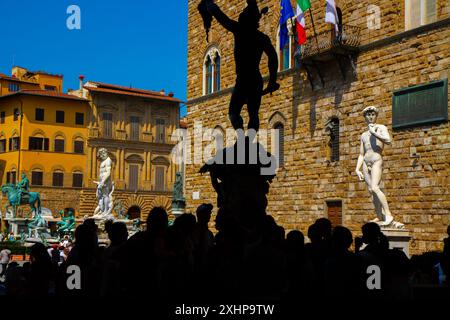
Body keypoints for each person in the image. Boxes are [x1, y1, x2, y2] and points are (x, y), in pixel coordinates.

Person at [200, 0, 279, 135]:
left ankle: (242, 138)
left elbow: (222, 18)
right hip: (255, 80)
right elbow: (273, 57)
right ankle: (247, 141)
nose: (241, 14)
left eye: (244, 12)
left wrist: (210, 6)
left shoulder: (240, 30)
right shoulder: (262, 38)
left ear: (247, 17)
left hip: (243, 80)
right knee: (253, 113)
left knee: (233, 112)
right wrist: (272, 80)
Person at [355, 106, 402, 228]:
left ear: (376, 116)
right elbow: (361, 153)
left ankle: (389, 215)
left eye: (372, 114)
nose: (370, 117)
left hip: (376, 160)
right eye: (368, 115)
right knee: (371, 191)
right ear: (365, 117)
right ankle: (379, 216)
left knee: (375, 187)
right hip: (366, 163)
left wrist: (375, 133)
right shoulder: (363, 135)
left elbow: (388, 140)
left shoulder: (381, 128)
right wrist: (357, 169)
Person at [93, 148, 113, 217]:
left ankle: (105, 211)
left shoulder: (108, 160)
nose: (100, 157)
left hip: (105, 181)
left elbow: (108, 172)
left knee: (105, 195)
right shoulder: (103, 161)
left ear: (104, 153)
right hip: (102, 181)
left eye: (101, 155)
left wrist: (103, 181)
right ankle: (102, 210)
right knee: (100, 197)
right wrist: (99, 182)